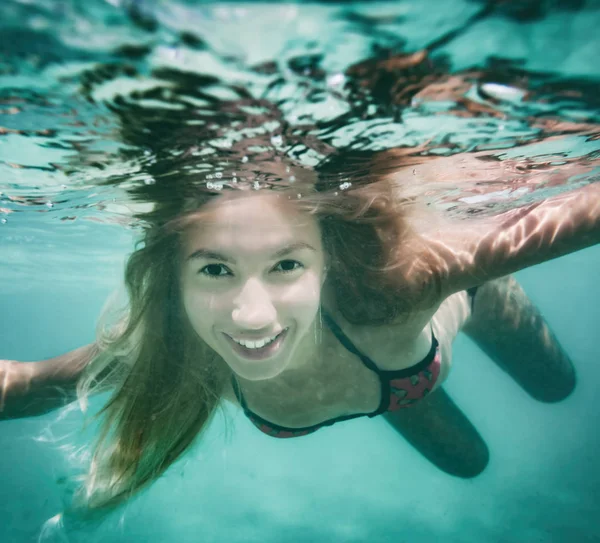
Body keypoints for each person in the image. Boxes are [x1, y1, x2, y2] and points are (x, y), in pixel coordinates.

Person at [0, 150, 597, 511]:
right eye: (214, 269)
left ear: (325, 267)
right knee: (468, 463)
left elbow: (577, 215)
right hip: (392, 380)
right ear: (175, 285)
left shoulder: (395, 287)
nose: (250, 316)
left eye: (286, 264)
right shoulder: (173, 339)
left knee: (557, 385)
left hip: (448, 313)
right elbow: (26, 386)